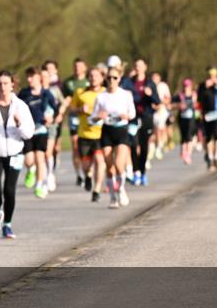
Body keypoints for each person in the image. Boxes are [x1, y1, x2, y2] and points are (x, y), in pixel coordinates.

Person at [0, 71, 35, 239]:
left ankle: (7, 224)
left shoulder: (21, 106)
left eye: (6, 83)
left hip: (15, 153)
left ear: (12, 85)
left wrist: (19, 124)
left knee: (9, 191)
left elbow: (29, 133)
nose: (2, 87)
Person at [62, 66, 106, 201]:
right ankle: (88, 175)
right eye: (91, 76)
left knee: (100, 161)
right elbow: (72, 108)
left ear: (102, 78)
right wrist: (80, 109)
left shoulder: (105, 93)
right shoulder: (80, 92)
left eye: (96, 76)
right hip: (84, 134)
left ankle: (97, 190)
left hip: (101, 134)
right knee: (86, 166)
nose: (93, 78)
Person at [95, 67, 137, 209]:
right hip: (107, 131)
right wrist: (98, 116)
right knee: (109, 167)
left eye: (115, 78)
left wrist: (127, 116)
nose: (111, 81)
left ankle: (121, 189)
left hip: (121, 130)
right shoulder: (101, 96)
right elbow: (92, 118)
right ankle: (113, 197)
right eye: (109, 78)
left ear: (119, 79)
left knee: (119, 164)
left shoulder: (126, 94)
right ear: (105, 79)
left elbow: (132, 113)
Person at [19, 67, 57, 199]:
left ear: (39, 78)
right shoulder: (24, 94)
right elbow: (16, 107)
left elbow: (55, 108)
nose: (29, 80)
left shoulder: (46, 94)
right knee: (29, 160)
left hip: (41, 129)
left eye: (32, 77)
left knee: (40, 158)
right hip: (28, 130)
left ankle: (40, 185)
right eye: (28, 77)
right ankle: (30, 170)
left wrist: (52, 118)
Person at [129, 58, 159, 187]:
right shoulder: (129, 82)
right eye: (136, 65)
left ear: (145, 67)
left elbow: (157, 101)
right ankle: (135, 173)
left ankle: (143, 173)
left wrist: (150, 94)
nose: (138, 67)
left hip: (146, 117)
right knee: (133, 145)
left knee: (144, 146)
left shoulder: (150, 83)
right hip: (133, 118)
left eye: (141, 65)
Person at [61, 58, 89, 187]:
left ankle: (88, 170)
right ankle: (78, 174)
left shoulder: (90, 80)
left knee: (87, 147)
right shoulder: (68, 82)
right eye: (75, 66)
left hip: (89, 118)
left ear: (85, 67)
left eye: (80, 66)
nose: (77, 69)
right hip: (74, 116)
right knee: (75, 145)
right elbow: (65, 100)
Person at [197, 67, 217, 171]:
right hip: (207, 114)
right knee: (208, 137)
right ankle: (209, 158)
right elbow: (199, 99)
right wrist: (205, 87)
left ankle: (216, 158)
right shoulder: (202, 85)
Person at [41, 63, 65, 192]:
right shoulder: (36, 91)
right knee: (41, 153)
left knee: (48, 151)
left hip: (52, 124)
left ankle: (49, 175)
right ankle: (43, 176)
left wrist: (59, 114)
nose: (43, 78)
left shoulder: (55, 90)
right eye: (41, 76)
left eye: (46, 76)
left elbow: (63, 102)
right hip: (39, 125)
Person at [148, 71, 171, 161]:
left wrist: (161, 104)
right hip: (151, 111)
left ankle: (159, 147)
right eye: (153, 78)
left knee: (160, 129)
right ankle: (152, 148)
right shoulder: (149, 85)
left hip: (161, 110)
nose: (155, 80)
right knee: (153, 131)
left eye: (156, 78)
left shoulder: (163, 86)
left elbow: (168, 99)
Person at [176, 79, 199, 165]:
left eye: (188, 86)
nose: (186, 87)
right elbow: (171, 103)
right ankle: (183, 150)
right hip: (182, 118)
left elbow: (199, 104)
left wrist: (195, 103)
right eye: (185, 86)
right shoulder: (180, 95)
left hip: (191, 118)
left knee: (189, 136)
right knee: (183, 136)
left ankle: (188, 155)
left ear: (191, 86)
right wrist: (179, 105)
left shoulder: (194, 94)